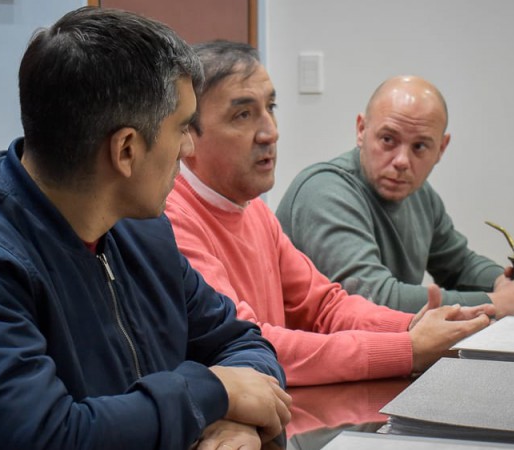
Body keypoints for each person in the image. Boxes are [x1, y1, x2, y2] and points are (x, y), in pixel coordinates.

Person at [0, 8, 290, 450]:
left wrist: (233, 423)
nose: (189, 147)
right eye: (181, 128)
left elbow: (244, 343)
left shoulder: (142, 231)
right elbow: (46, 439)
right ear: (126, 150)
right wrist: (211, 394)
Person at [164, 40, 495, 387]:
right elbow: (247, 342)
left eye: (271, 107)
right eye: (243, 115)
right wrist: (407, 347)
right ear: (188, 136)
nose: (271, 132)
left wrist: (412, 326)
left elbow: (325, 305)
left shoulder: (255, 211)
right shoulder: (171, 220)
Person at [276, 75, 514, 316]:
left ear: (441, 149)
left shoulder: (420, 194)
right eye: (388, 139)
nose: (402, 160)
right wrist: (499, 303)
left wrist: (510, 283)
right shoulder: (325, 191)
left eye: (419, 147)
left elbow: (459, 264)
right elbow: (372, 299)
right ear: (361, 130)